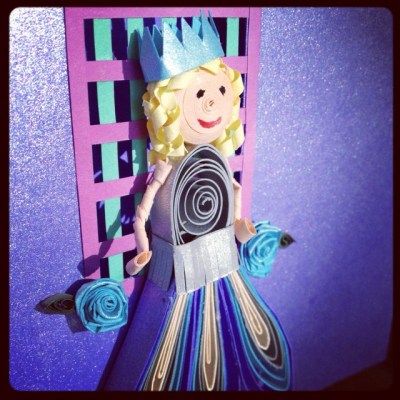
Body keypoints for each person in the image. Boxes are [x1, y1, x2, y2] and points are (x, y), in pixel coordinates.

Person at [104, 12, 291, 391]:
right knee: (174, 350)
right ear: (167, 107)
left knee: (234, 333)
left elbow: (234, 193)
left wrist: (240, 226)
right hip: (179, 271)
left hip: (223, 263)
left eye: (220, 91)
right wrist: (142, 252)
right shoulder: (166, 167)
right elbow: (142, 214)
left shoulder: (217, 159)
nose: (212, 104)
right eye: (199, 95)